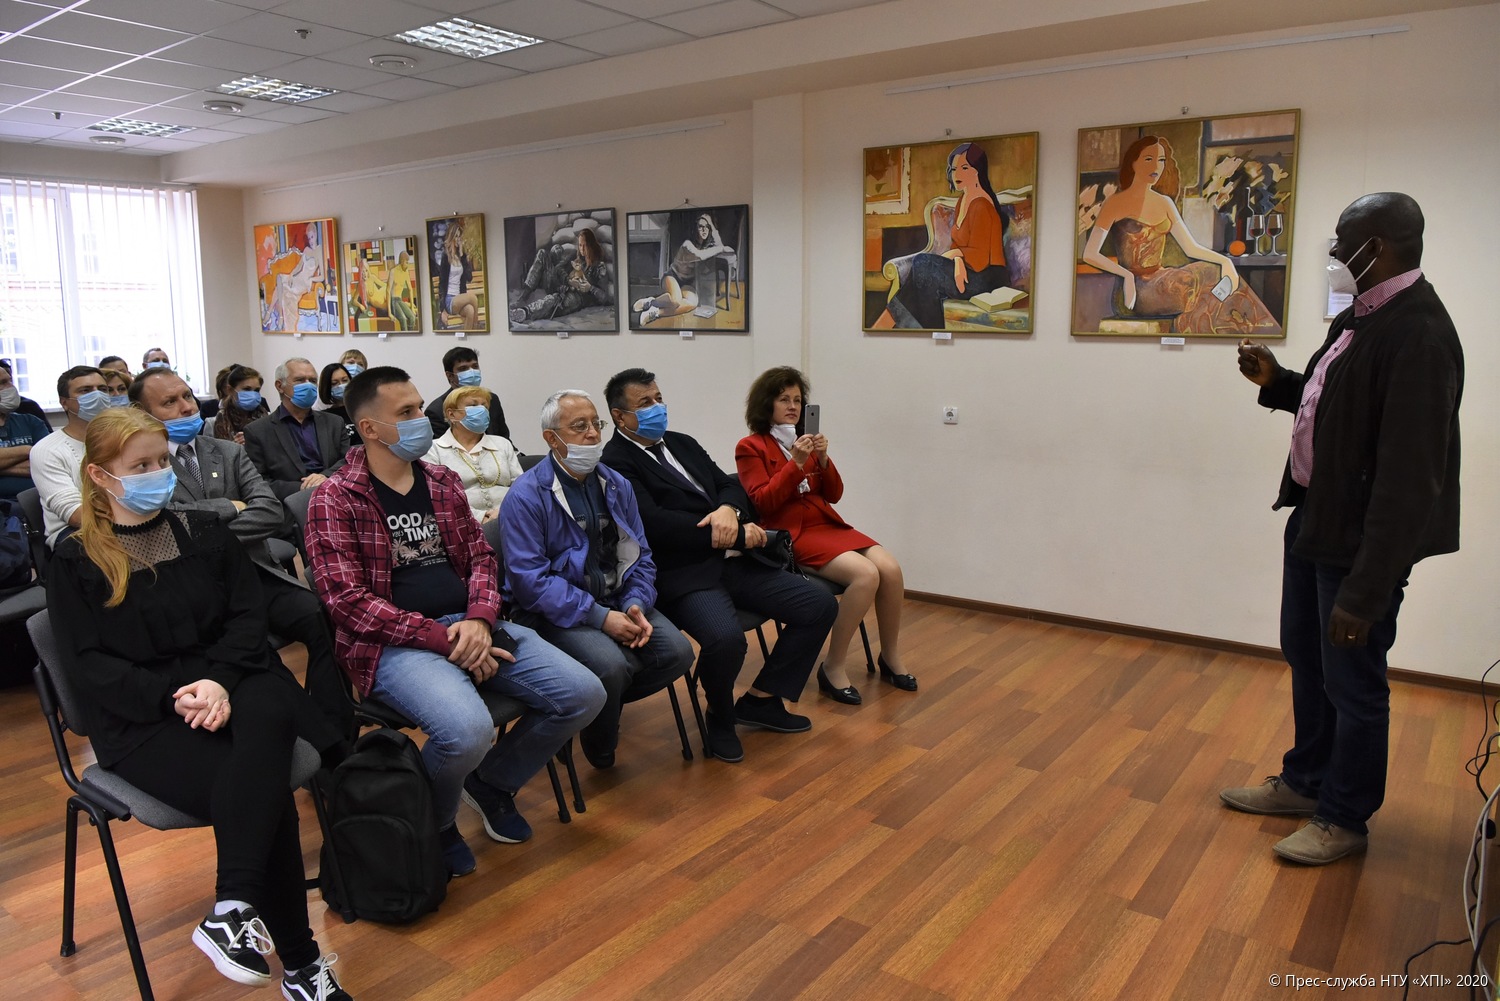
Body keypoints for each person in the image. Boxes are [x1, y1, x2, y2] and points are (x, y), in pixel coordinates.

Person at [47, 407, 354, 1000]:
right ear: (101, 476)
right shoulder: (76, 557)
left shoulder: (205, 531)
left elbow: (247, 618)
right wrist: (178, 699)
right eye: (140, 466)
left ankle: (234, 910)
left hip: (228, 680)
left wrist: (217, 681)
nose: (158, 474)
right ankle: (298, 963)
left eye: (162, 461)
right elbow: (89, 667)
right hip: (145, 713)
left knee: (270, 710)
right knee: (264, 786)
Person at [1220, 193, 1463, 865]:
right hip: (1317, 519)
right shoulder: (1361, 316)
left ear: (1376, 246)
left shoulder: (1421, 334)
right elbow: (1336, 405)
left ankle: (1344, 816)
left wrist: (1367, 588)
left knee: (1354, 681)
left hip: (1358, 546)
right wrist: (1278, 382)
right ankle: (1306, 780)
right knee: (1307, 655)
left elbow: (1411, 479)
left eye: (1342, 238)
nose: (1333, 249)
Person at [306, 367, 604, 875]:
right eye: (406, 412)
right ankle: (436, 822)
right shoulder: (334, 498)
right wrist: (445, 639)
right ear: (369, 428)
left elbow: (483, 559)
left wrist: (480, 620)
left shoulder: (441, 481)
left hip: (471, 624)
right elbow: (347, 602)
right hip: (393, 644)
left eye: (419, 406)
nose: (421, 419)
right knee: (467, 731)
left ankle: (491, 783)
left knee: (584, 694)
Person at [602, 369, 837, 762]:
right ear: (619, 416)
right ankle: (720, 717)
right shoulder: (615, 462)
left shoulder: (682, 442)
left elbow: (729, 484)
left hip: (732, 561)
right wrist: (730, 533)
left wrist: (728, 509)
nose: (657, 408)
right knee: (726, 639)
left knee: (819, 605)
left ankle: (762, 700)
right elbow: (654, 525)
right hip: (684, 572)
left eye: (658, 398)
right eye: (645, 403)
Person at [133, 368, 351, 740]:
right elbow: (163, 525)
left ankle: (337, 735)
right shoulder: (145, 469)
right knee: (246, 650)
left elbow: (270, 512)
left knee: (321, 617)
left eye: (187, 396)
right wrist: (229, 506)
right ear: (142, 412)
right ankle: (284, 728)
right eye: (170, 402)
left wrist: (203, 528)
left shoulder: (229, 451)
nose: (186, 407)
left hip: (253, 573)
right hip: (192, 592)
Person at [500, 390, 694, 770]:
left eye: (596, 423)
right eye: (579, 426)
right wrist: (601, 618)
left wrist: (635, 603)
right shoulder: (526, 496)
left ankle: (591, 713)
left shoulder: (616, 484)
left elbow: (641, 555)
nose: (592, 434)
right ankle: (599, 739)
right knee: (611, 667)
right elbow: (530, 583)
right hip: (551, 612)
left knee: (678, 653)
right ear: (551, 438)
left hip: (617, 597)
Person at [736, 367, 917, 704]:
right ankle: (832, 666)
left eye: (797, 400)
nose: (793, 406)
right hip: (791, 533)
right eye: (784, 399)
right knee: (865, 575)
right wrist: (795, 464)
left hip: (826, 525)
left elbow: (834, 494)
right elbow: (763, 502)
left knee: (890, 569)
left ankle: (890, 656)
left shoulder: (805, 440)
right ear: (766, 404)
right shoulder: (751, 447)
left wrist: (822, 458)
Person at [1079, 134, 1279, 337]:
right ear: (1133, 163)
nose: (1156, 166)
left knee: (1212, 272)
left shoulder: (1165, 202)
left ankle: (1261, 334)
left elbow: (1190, 248)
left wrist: (1224, 261)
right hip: (1135, 290)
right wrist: (1126, 275)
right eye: (1148, 159)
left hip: (1162, 278)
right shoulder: (1115, 203)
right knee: (1192, 284)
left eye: (1161, 160)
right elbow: (1090, 254)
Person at [871, 142, 1010, 330]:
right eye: (954, 169)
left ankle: (901, 328)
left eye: (964, 168)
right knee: (920, 278)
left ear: (977, 170)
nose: (957, 174)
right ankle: (897, 328)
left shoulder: (982, 205)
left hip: (986, 278)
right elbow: (959, 244)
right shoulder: (963, 200)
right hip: (969, 270)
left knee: (922, 263)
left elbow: (980, 258)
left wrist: (955, 256)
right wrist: (958, 261)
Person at [242, 357, 348, 500]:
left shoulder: (334, 423)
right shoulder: (257, 431)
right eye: (300, 380)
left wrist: (325, 477)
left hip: (336, 497)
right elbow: (258, 481)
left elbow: (347, 461)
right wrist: (303, 488)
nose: (308, 385)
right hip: (290, 503)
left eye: (312, 380)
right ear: (280, 386)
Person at [31, 365, 110, 547]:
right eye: (85, 390)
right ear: (64, 402)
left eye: (102, 389)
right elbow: (76, 515)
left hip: (125, 524)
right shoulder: (47, 450)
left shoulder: (122, 439)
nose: (97, 395)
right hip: (73, 535)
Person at [422, 386, 522, 524]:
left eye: (484, 406)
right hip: (463, 524)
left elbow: (521, 485)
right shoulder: (433, 450)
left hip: (512, 516)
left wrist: (504, 511)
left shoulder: (502, 444)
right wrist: (481, 517)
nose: (481, 410)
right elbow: (438, 497)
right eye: (473, 405)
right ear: (451, 414)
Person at [631, 214, 735, 326]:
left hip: (687, 283)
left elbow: (719, 245)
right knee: (675, 301)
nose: (704, 229)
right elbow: (700, 255)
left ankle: (655, 312)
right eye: (701, 226)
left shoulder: (706, 246)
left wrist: (712, 225)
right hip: (672, 276)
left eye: (707, 227)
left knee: (692, 303)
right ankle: (650, 302)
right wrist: (721, 248)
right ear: (695, 229)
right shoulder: (687, 245)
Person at [509, 227, 610, 326]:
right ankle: (524, 296)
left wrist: (590, 288)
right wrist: (568, 280)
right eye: (580, 245)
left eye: (585, 245)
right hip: (562, 286)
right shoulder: (575, 256)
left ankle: (525, 312)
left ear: (591, 245)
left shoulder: (599, 266)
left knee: (553, 299)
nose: (582, 249)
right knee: (542, 253)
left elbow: (605, 298)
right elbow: (558, 268)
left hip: (577, 297)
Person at [423, 346, 511, 441]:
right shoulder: (436, 410)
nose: (471, 372)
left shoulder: (492, 398)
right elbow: (441, 447)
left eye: (475, 366)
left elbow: (504, 437)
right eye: (463, 368)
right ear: (450, 375)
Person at [0, 362, 52, 499]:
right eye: (3, 383)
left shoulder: (30, 421)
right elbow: (38, 455)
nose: (11, 387)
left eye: (10, 380)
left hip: (39, 500)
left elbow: (49, 463)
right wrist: (28, 450)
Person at [433, 219, 479, 330]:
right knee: (473, 298)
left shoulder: (461, 256)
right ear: (452, 237)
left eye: (460, 237)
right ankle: (478, 329)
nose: (459, 239)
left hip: (460, 297)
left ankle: (468, 337)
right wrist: (443, 310)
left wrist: (463, 256)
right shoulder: (446, 257)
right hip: (450, 300)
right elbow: (442, 283)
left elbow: (469, 278)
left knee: (470, 310)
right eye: (456, 237)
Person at [214, 364, 272, 446]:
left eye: (256, 390)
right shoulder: (223, 417)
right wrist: (236, 445)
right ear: (230, 390)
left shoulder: (263, 413)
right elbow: (221, 450)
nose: (252, 395)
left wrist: (253, 440)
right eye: (247, 389)